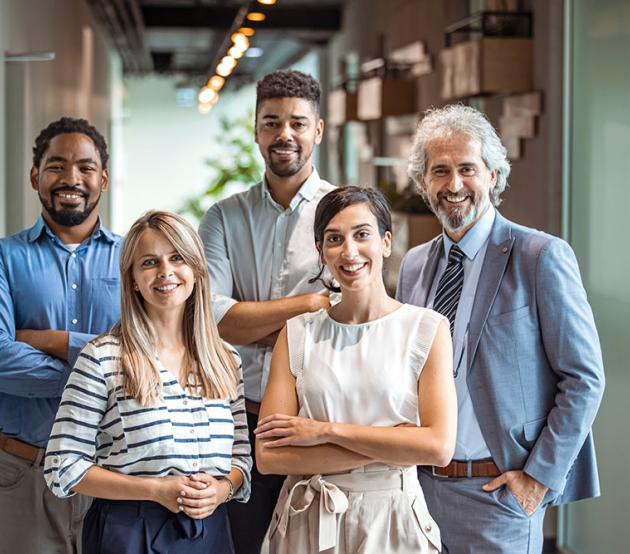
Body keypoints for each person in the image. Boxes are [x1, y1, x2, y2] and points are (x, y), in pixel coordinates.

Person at [397, 104, 605, 553]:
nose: (454, 185)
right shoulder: (413, 265)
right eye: (440, 171)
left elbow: (584, 379)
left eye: (467, 169)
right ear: (422, 183)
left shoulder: (540, 257)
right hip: (417, 491)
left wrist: (537, 479)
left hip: (497, 495)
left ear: (493, 175)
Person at [255, 186, 457, 553]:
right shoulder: (298, 333)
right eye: (334, 239)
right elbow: (270, 458)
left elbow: (438, 446)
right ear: (320, 251)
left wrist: (323, 431)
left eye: (362, 234)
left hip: (391, 519)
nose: (349, 252)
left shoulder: (427, 329)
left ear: (385, 241)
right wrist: (396, 445)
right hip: (308, 519)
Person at [44, 211, 251, 554]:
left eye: (177, 258)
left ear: (197, 271)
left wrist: (222, 489)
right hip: (128, 531)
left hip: (211, 531)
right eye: (150, 262)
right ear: (133, 279)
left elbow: (241, 458)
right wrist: (154, 490)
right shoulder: (103, 358)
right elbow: (62, 467)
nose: (165, 272)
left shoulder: (225, 359)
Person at [199, 69, 335, 553]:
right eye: (272, 122)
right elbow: (213, 319)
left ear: (318, 130)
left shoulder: (341, 214)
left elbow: (345, 321)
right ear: (256, 130)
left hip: (318, 422)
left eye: (298, 123)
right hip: (240, 422)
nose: (285, 134)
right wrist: (309, 305)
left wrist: (250, 322)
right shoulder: (222, 217)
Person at [0, 117, 121, 554]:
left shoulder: (136, 260)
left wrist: (51, 341)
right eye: (57, 166)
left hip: (115, 474)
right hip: (21, 472)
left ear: (102, 178)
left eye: (86, 167)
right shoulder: (4, 257)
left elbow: (155, 356)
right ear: (35, 176)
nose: (71, 178)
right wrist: (106, 376)